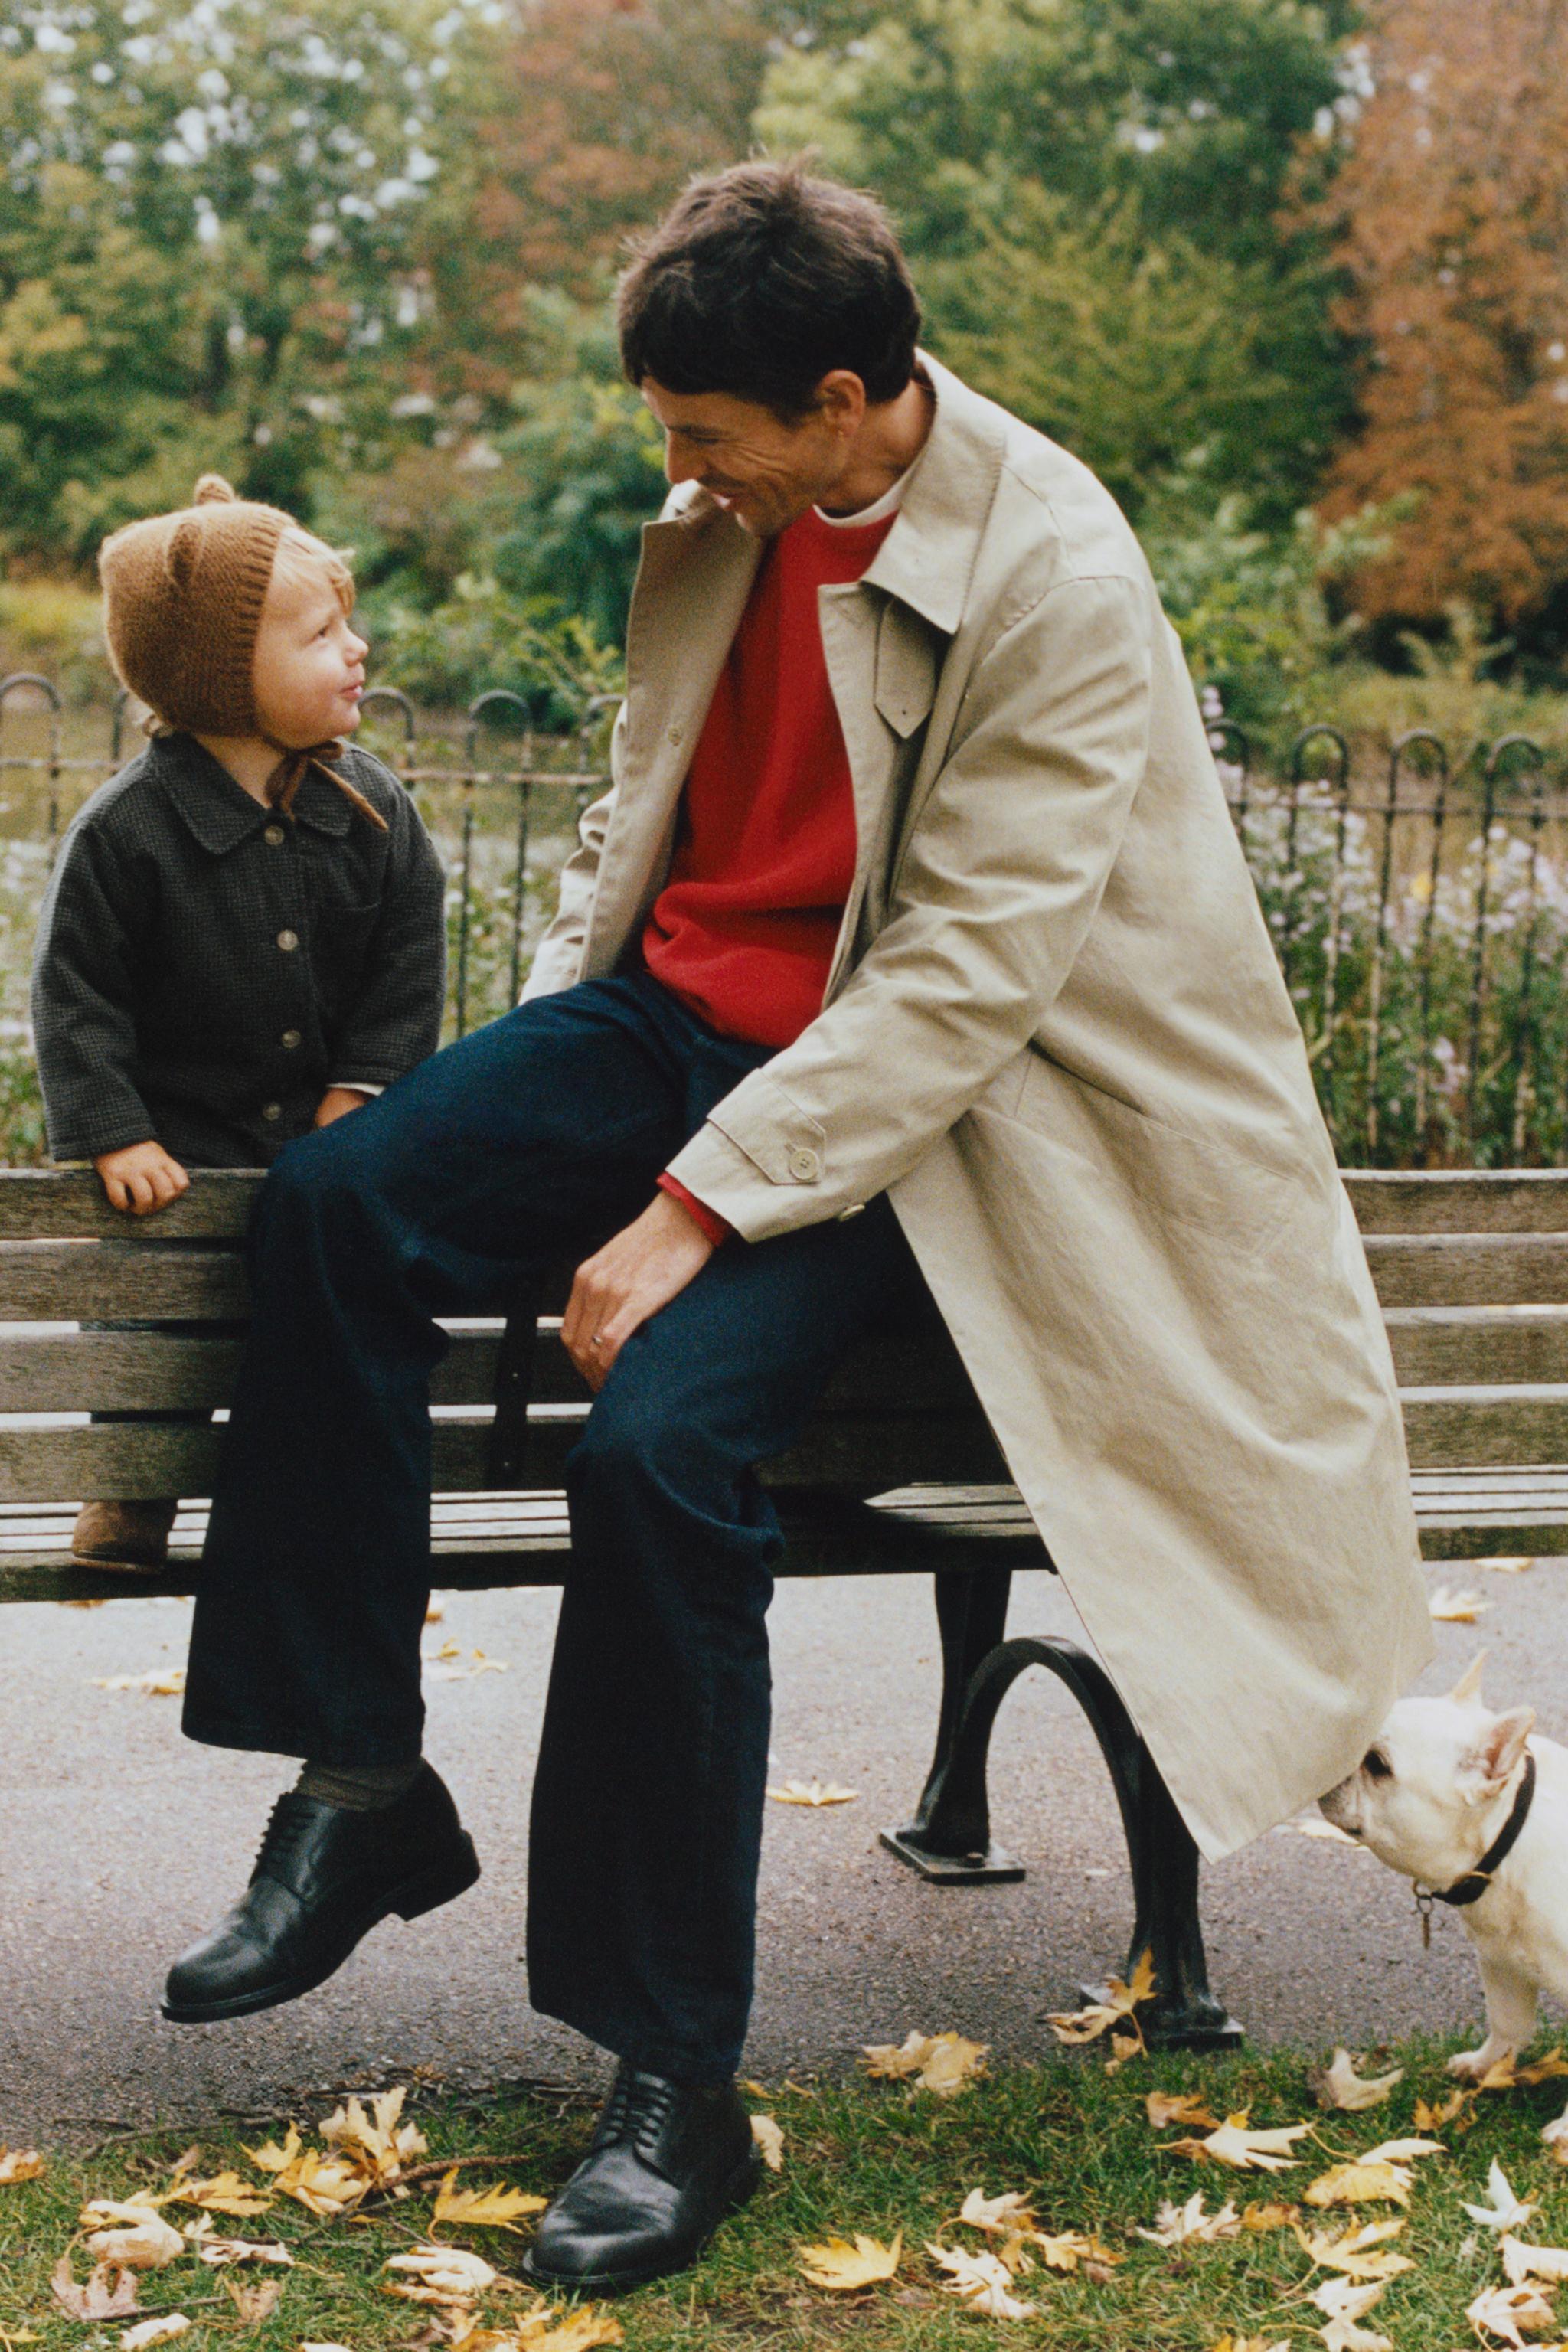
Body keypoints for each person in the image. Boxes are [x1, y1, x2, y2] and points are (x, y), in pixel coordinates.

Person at [162, 164, 1431, 2295]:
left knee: (663, 1455)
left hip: (918, 1113)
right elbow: (669, 789)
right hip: (673, 1018)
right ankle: (366, 1784)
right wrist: (580, 1029)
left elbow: (963, 982)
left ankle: (678, 2087)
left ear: (848, 399)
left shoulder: (1057, 569)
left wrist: (688, 1211)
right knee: (342, 1204)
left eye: (706, 438)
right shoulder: (735, 515)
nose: (677, 472)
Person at [31, 476, 446, 1571]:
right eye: (322, 633)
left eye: (347, 622)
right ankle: (133, 1484)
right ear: (221, 678)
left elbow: (409, 960)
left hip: (323, 1145)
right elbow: (76, 992)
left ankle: (307, 1496)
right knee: (151, 1320)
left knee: (318, 1323)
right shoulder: (129, 828)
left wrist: (364, 1090)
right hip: (176, 1148)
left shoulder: (374, 807)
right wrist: (114, 1131)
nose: (358, 648)